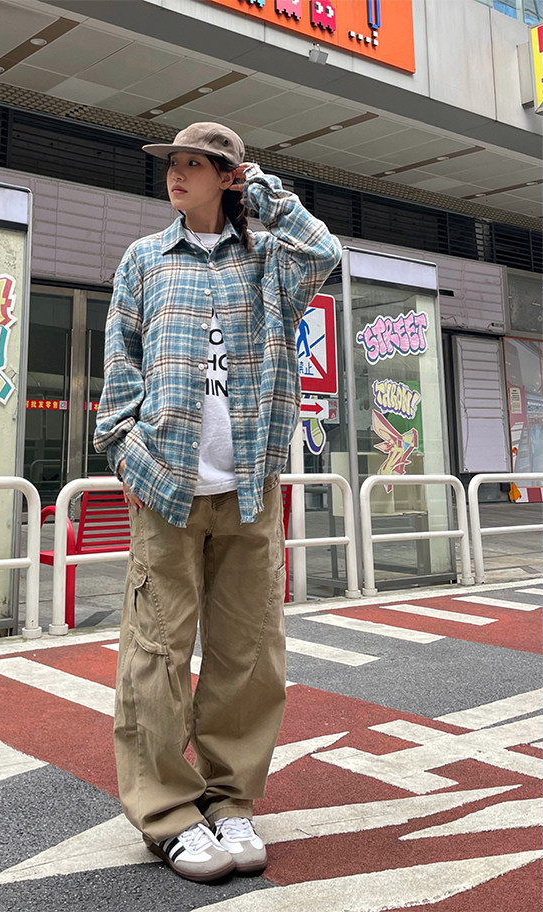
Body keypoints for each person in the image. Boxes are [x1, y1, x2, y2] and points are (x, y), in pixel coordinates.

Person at [93, 121, 342, 883]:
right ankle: (168, 813)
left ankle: (231, 800)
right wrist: (125, 450)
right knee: (156, 654)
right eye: (173, 163)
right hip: (164, 482)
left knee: (250, 654)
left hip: (249, 485)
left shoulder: (268, 258)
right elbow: (120, 361)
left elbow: (324, 253)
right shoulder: (145, 258)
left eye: (195, 164)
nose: (177, 174)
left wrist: (262, 191)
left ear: (227, 176)